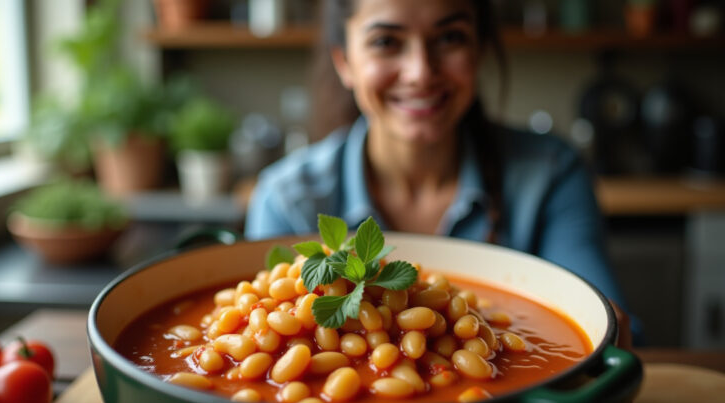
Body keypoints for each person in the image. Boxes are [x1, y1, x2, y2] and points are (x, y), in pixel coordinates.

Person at [245, 0, 636, 345]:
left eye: (450, 37)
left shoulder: (552, 175)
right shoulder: (285, 199)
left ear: (479, 49)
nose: (420, 72)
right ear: (344, 62)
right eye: (386, 41)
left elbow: (608, 328)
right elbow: (270, 340)